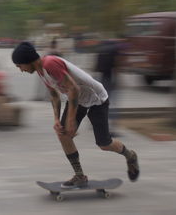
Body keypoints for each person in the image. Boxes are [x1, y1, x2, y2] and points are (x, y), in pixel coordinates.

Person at [11, 42, 139, 188]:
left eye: (20, 65)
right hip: (79, 100)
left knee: (104, 144)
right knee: (63, 133)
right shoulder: (41, 70)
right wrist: (56, 119)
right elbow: (54, 95)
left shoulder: (49, 63)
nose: (21, 70)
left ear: (28, 60)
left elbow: (74, 89)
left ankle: (130, 156)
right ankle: (80, 176)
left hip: (97, 98)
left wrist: (71, 119)